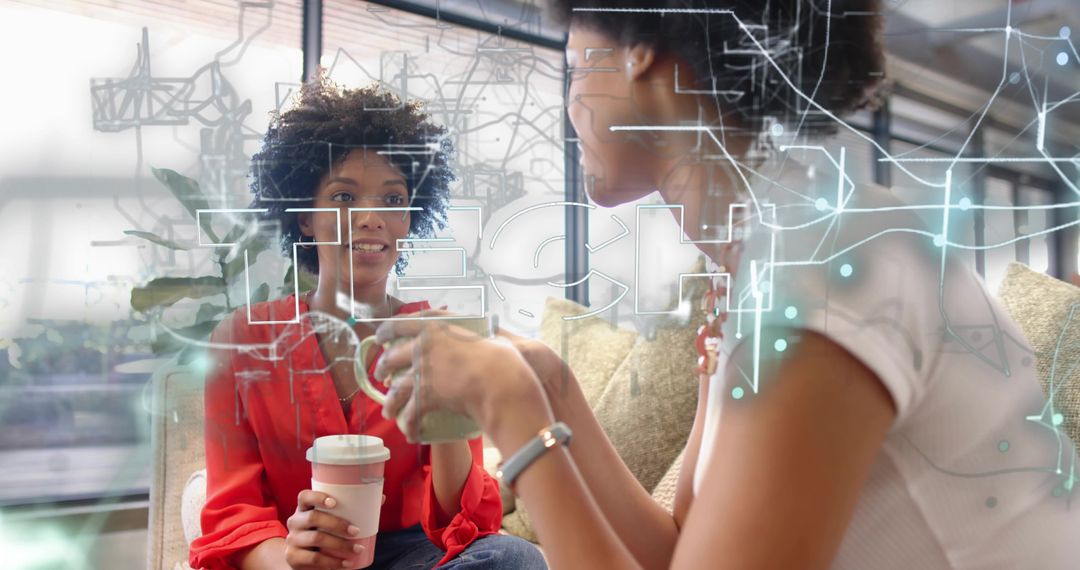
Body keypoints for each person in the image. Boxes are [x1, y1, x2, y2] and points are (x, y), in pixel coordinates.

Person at [371, 1, 1080, 569]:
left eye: (573, 68)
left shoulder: (827, 265)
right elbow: (683, 551)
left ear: (637, 49)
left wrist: (511, 409)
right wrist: (555, 393)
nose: (569, 105)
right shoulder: (759, 269)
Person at [189, 77, 545, 570]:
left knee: (513, 557)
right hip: (295, 554)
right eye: (343, 197)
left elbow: (461, 521)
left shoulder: (437, 333)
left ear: (409, 219)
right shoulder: (242, 339)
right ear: (305, 219)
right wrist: (293, 558)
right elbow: (234, 515)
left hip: (415, 552)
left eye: (394, 200)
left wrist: (442, 411)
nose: (371, 217)